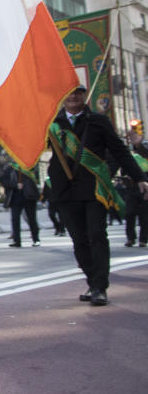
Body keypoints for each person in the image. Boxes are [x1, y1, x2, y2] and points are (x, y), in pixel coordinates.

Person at [48, 85, 148, 306]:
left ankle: (100, 287)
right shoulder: (51, 124)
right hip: (64, 190)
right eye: (70, 93)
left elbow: (119, 151)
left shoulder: (98, 121)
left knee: (97, 235)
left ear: (84, 96)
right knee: (79, 240)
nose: (73, 97)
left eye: (78, 93)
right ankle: (93, 282)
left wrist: (139, 177)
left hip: (93, 189)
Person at [0, 162, 41, 248]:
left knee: (32, 219)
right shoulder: (8, 168)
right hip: (15, 198)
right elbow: (2, 180)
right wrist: (15, 185)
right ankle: (17, 241)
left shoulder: (29, 166)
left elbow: (35, 178)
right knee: (15, 220)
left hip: (29, 196)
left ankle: (36, 239)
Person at [123, 129, 148, 247]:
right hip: (132, 187)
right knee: (129, 213)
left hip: (145, 187)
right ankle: (130, 238)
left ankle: (143, 239)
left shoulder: (144, 151)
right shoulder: (127, 153)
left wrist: (139, 144)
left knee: (144, 215)